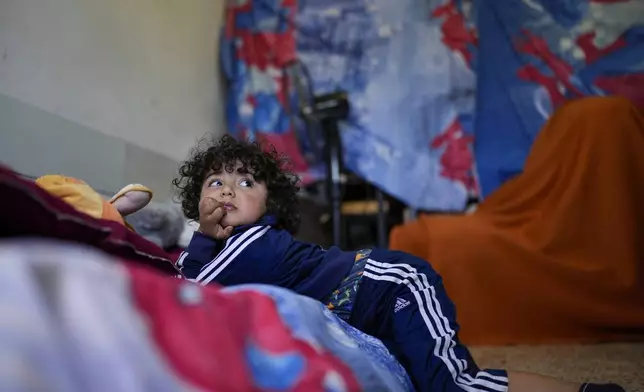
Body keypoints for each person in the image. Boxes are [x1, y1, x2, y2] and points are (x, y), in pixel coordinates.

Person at [173, 134, 624, 392]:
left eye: (245, 181)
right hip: (368, 310)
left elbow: (193, 281)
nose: (227, 190)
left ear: (269, 204)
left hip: (394, 287)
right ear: (197, 198)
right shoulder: (221, 249)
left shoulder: (258, 243)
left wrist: (204, 237)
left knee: (455, 386)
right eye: (215, 181)